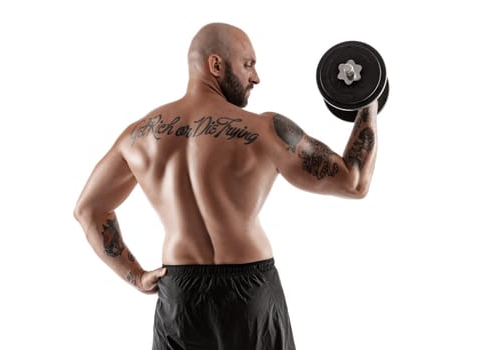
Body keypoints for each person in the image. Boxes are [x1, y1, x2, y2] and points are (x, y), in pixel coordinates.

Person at [74, 22, 378, 350]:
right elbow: (354, 182)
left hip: (180, 296)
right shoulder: (265, 130)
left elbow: (89, 209)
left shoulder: (140, 136)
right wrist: (368, 98)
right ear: (216, 65)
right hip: (251, 296)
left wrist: (136, 277)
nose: (256, 77)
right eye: (248, 64)